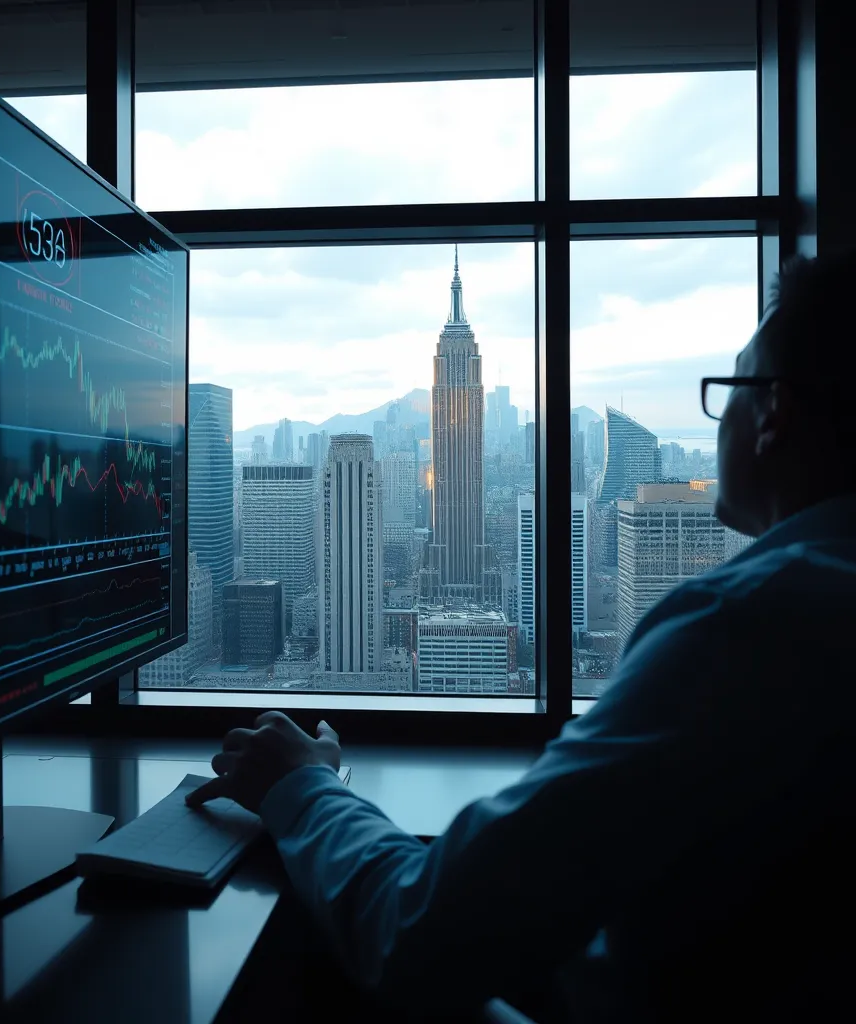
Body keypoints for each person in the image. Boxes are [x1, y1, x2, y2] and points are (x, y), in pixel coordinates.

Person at [187, 252, 856, 1023]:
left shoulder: (740, 633)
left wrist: (299, 787)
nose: (721, 419)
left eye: (728, 391)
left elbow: (421, 932)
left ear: (774, 414)